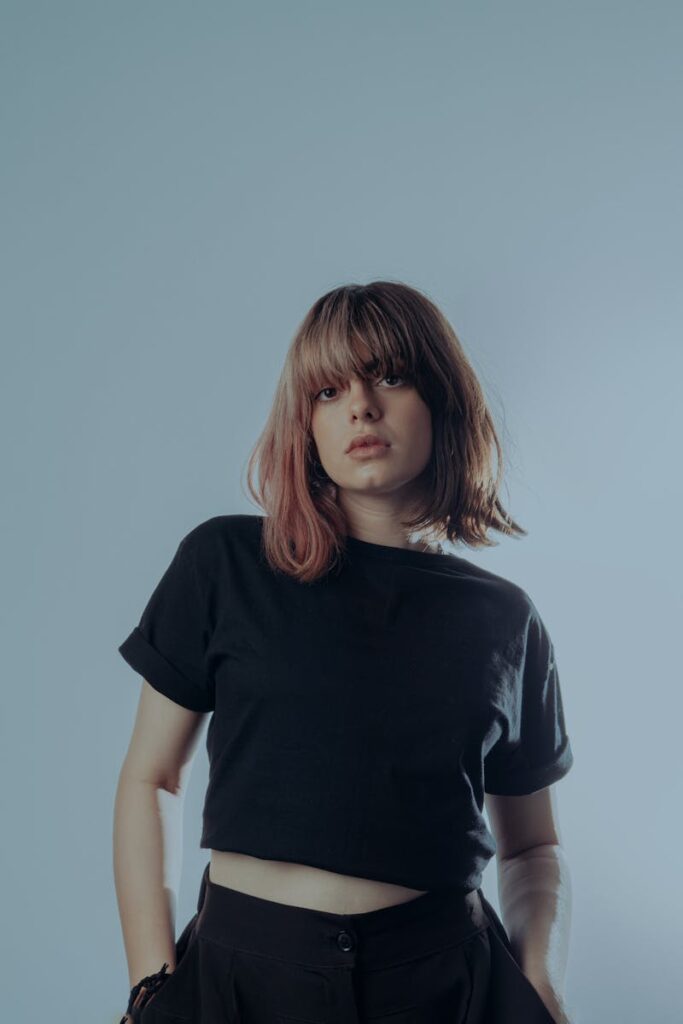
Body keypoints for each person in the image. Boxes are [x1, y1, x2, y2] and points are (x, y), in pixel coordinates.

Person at [114, 280, 576, 1023]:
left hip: (444, 982)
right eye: (328, 391)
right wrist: (149, 982)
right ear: (305, 425)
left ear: (443, 401)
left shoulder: (505, 619)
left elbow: (531, 849)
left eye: (390, 377)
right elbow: (153, 778)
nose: (361, 406)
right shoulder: (223, 563)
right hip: (242, 979)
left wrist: (540, 984)